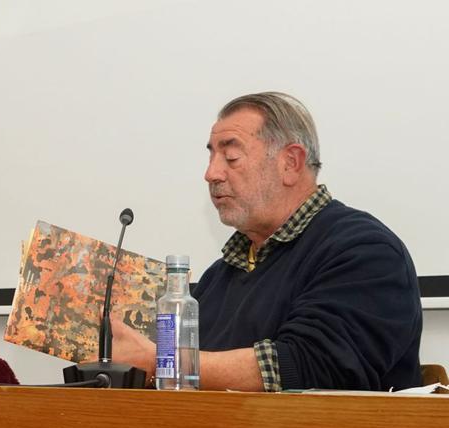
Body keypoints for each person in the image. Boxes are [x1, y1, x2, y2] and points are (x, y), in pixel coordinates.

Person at [111, 92, 422, 391]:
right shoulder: (221, 275)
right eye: (212, 156)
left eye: (231, 156)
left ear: (290, 163)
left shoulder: (365, 252)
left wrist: (160, 362)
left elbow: (311, 366)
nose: (211, 173)